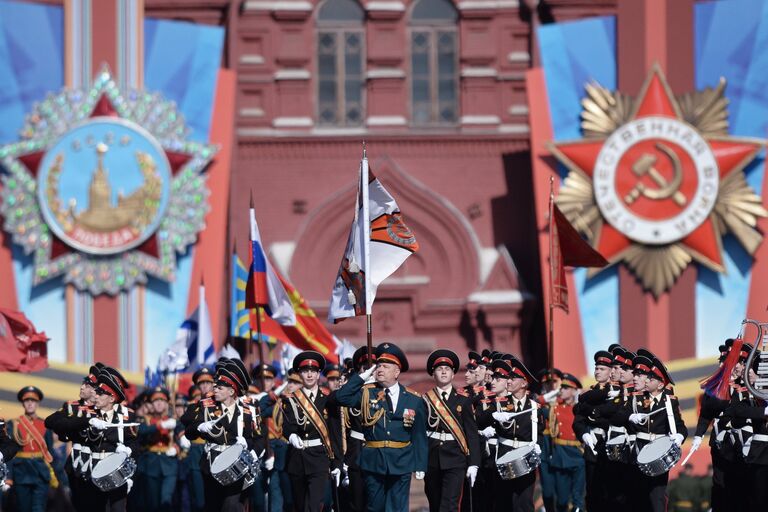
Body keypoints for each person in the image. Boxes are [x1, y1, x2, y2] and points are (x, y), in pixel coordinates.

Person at [335, 342, 427, 512]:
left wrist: (420, 465)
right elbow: (341, 397)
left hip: (401, 461)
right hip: (373, 461)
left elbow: (419, 435)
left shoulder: (414, 399)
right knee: (374, 508)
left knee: (397, 508)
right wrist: (361, 378)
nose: (380, 369)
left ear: (397, 372)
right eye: (378, 365)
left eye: (385, 366)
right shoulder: (366, 393)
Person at [185, 358, 267, 511]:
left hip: (238, 466)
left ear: (232, 391)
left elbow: (259, 437)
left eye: (220, 387)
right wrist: (200, 426)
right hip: (211, 467)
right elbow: (188, 429)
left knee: (232, 505)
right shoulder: (207, 407)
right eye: (215, 386)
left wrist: (252, 450)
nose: (214, 389)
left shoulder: (248, 410)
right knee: (213, 506)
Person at [620, 355, 687, 512]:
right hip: (639, 449)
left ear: (660, 384)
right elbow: (618, 416)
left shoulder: (670, 402)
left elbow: (680, 427)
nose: (647, 380)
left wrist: (680, 436)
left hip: (659, 453)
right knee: (638, 494)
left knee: (657, 495)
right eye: (648, 377)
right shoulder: (636, 398)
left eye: (651, 378)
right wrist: (631, 416)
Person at [477, 357, 542, 512]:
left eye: (513, 378)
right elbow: (479, 421)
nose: (509, 381)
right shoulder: (500, 403)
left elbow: (539, 430)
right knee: (503, 503)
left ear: (524, 383)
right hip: (502, 459)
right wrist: (493, 415)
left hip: (526, 460)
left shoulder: (534, 407)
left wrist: (539, 444)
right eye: (509, 378)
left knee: (524, 503)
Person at [281, 351, 343, 512]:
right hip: (297, 458)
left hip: (319, 458)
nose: (309, 374)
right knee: (300, 506)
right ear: (300, 374)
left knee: (314, 506)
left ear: (318, 374)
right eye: (305, 371)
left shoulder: (328, 399)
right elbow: (287, 425)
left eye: (313, 371)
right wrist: (292, 435)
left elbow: (334, 433)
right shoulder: (292, 399)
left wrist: (337, 462)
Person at [422, 349, 481, 512]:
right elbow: (420, 433)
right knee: (435, 504)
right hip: (431, 459)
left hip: (456, 458)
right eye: (439, 369)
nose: (443, 371)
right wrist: (419, 461)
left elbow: (472, 434)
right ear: (433, 374)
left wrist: (474, 463)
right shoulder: (426, 400)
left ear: (453, 374)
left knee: (450, 505)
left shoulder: (463, 400)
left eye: (447, 369)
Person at [78, 367, 139, 511]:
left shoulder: (127, 416)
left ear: (111, 398)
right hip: (93, 473)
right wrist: (90, 425)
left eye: (100, 393)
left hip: (117, 475)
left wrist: (127, 451)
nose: (96, 396)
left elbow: (135, 444)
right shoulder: (89, 414)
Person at [44, 364, 102, 511]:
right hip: (77, 464)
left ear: (95, 390)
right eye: (83, 384)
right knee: (79, 504)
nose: (82, 387)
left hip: (100, 464)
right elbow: (50, 421)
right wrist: (82, 422)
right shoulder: (72, 407)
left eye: (87, 385)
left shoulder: (105, 409)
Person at [572, 350, 614, 512]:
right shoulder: (588, 394)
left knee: (611, 494)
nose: (597, 371)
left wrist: (593, 416)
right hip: (592, 448)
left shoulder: (615, 393)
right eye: (596, 368)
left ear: (611, 371)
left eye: (602, 369)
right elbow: (578, 421)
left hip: (611, 447)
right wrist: (584, 434)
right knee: (593, 494)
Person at [337, 346, 375, 512]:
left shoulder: (387, 391)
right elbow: (340, 397)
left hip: (379, 453)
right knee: (356, 503)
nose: (369, 371)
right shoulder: (352, 393)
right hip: (356, 452)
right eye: (365, 368)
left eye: (372, 367)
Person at [6, 386, 56, 512]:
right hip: (21, 472)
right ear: (23, 403)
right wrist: (9, 477)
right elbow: (10, 453)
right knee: (24, 508)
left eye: (33, 401)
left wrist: (59, 476)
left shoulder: (45, 424)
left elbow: (50, 452)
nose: (30, 403)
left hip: (41, 473)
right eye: (27, 400)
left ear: (37, 403)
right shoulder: (14, 424)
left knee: (39, 509)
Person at [178, 367, 215, 512]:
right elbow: (185, 419)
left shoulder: (218, 402)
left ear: (213, 384)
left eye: (208, 382)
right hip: (196, 451)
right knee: (199, 499)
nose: (205, 386)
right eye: (202, 384)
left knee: (213, 496)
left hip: (214, 450)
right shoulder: (195, 404)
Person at [137, 387, 178, 512]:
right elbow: (141, 432)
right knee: (153, 504)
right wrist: (160, 425)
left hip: (169, 464)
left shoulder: (174, 420)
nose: (159, 403)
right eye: (156, 401)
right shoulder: (146, 420)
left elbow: (183, 436)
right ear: (151, 404)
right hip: (151, 464)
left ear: (167, 404)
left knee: (166, 499)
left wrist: (178, 448)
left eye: (162, 400)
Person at [548, 373, 584, 512]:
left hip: (578, 453)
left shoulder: (581, 408)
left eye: (566, 388)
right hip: (561, 453)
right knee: (562, 500)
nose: (561, 390)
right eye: (561, 387)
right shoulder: (555, 407)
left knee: (578, 499)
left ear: (574, 390)